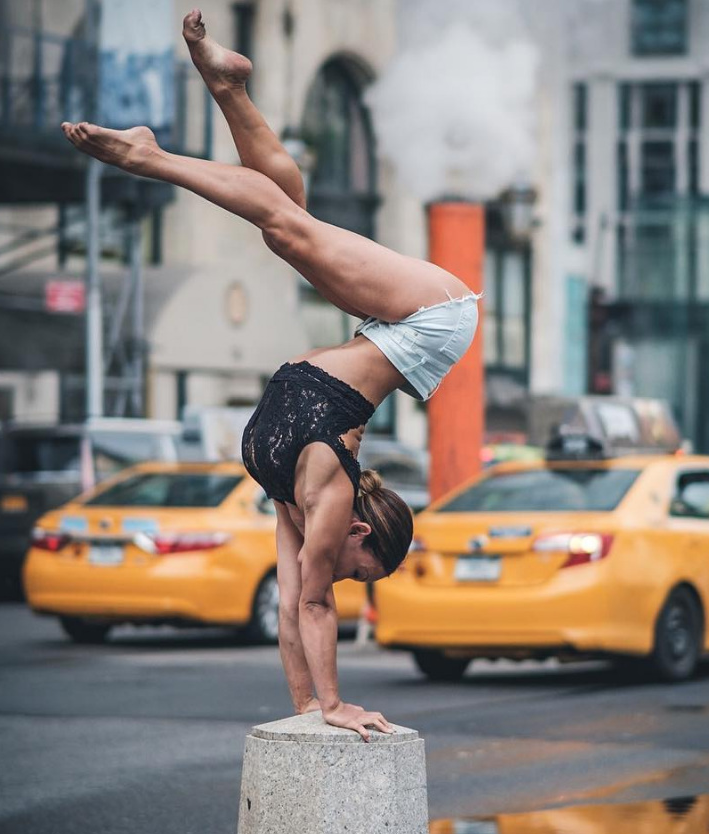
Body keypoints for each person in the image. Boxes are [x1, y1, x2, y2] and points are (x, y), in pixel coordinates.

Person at [61, 9, 480, 741]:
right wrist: (337, 703)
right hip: (436, 320)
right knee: (290, 228)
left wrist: (307, 714)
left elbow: (292, 607)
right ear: (359, 531)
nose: (347, 578)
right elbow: (318, 604)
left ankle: (228, 88)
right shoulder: (332, 490)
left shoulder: (297, 502)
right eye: (362, 569)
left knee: (285, 210)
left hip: (390, 334)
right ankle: (147, 156)